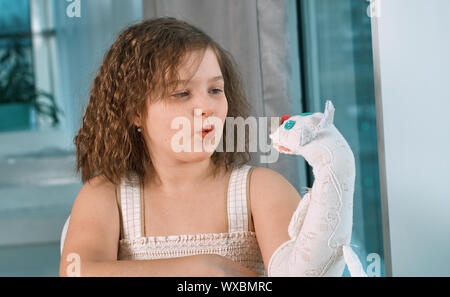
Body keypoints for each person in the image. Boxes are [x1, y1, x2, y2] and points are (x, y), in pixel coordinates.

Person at [59, 17, 302, 277]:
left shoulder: (262, 191)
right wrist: (203, 269)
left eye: (215, 90)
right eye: (182, 93)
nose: (207, 107)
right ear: (134, 112)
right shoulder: (105, 197)